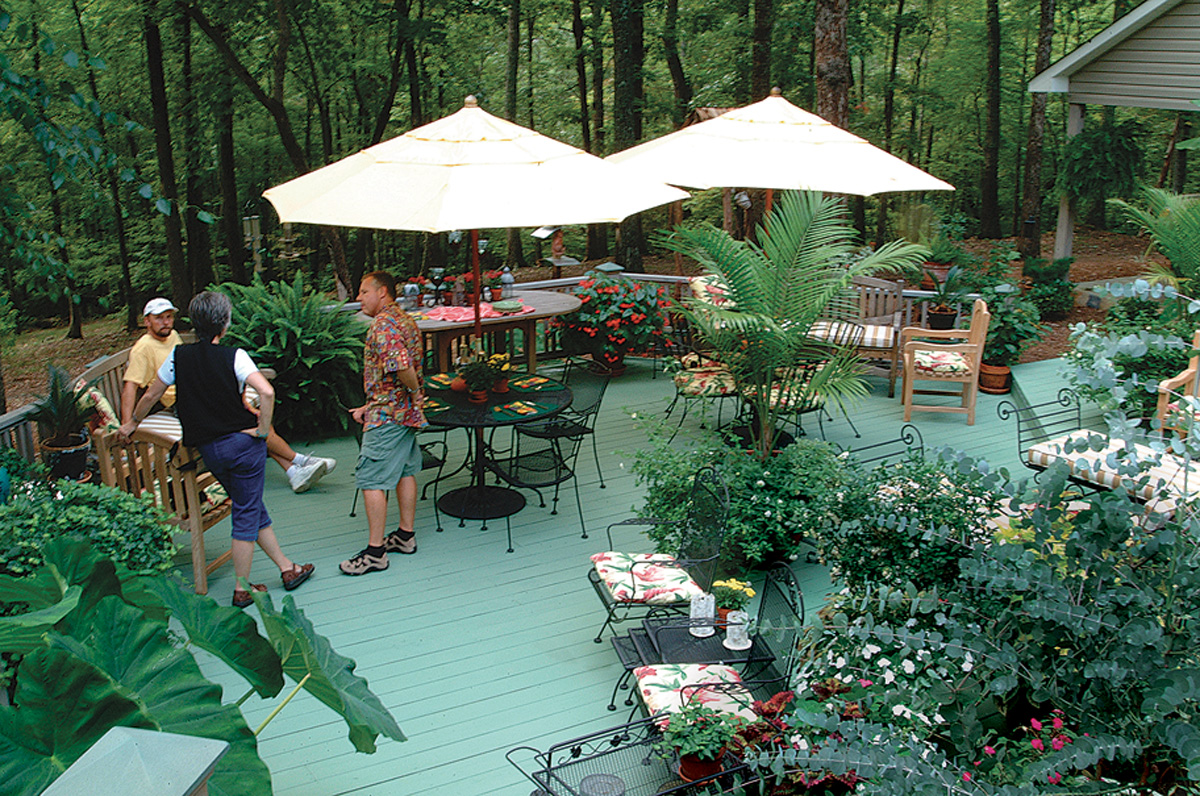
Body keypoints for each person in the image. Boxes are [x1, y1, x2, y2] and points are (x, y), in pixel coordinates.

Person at [120, 292, 314, 607]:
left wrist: (131, 423)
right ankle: (241, 589)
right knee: (246, 512)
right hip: (241, 449)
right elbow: (266, 391)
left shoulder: (178, 357)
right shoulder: (233, 356)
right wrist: (263, 431)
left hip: (210, 452)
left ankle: (287, 568)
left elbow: (150, 395)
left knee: (249, 505)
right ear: (223, 325)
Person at [121, 297, 335, 493]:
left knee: (255, 419)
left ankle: (295, 470)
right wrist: (130, 422)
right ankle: (298, 462)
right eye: (159, 318)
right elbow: (136, 389)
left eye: (169, 316)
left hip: (196, 394)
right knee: (255, 425)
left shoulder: (173, 339)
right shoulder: (143, 348)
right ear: (146, 321)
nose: (166, 322)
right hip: (187, 404)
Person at [340, 271, 427, 576]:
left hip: (389, 415)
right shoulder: (404, 319)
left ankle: (376, 553)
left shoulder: (382, 326)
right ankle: (405, 536)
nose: (359, 298)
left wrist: (414, 392)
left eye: (364, 292)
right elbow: (394, 372)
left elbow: (400, 366)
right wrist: (372, 403)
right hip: (401, 411)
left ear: (383, 293)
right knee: (404, 470)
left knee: (371, 478)